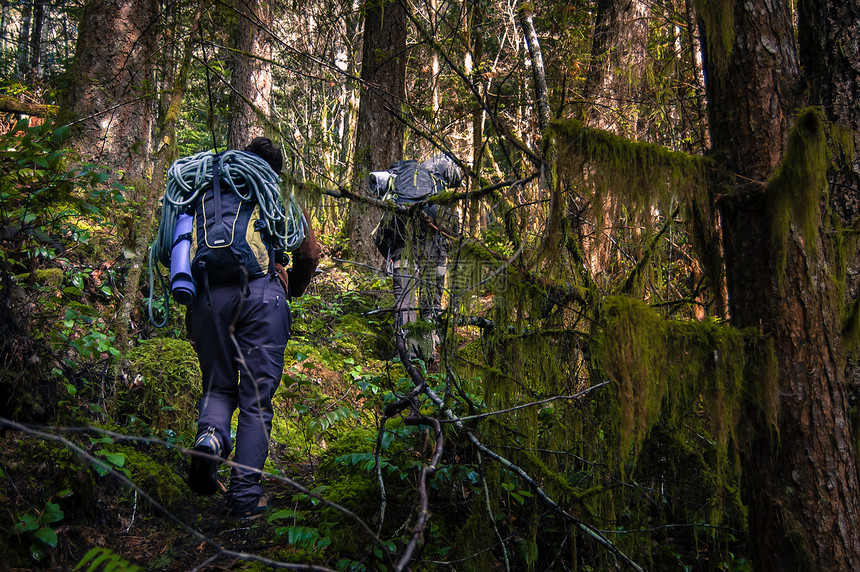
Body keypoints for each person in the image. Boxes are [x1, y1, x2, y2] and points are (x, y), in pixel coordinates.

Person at [186, 137, 320, 519]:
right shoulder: (276, 190)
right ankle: (245, 497)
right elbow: (309, 252)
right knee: (256, 402)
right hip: (262, 297)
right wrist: (291, 286)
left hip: (207, 299)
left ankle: (210, 438)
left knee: (218, 387)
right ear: (276, 168)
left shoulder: (206, 187)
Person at [373, 154, 462, 370]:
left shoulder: (399, 188)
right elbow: (454, 230)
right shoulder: (437, 187)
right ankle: (432, 354)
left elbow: (381, 236)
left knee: (405, 303)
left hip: (402, 252)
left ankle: (408, 360)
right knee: (432, 303)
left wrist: (391, 255)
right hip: (436, 252)